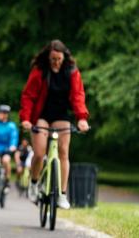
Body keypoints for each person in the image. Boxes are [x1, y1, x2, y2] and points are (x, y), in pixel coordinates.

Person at [20, 39, 90, 210]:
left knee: (64, 152)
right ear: (48, 57)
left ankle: (62, 195)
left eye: (59, 59)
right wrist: (26, 119)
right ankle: (34, 184)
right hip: (41, 114)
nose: (56, 62)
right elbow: (28, 96)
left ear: (64, 57)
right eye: (53, 59)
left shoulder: (71, 72)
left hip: (61, 115)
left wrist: (81, 118)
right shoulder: (40, 71)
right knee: (39, 152)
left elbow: (78, 96)